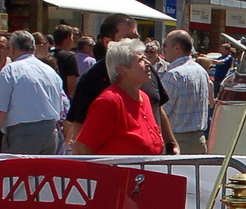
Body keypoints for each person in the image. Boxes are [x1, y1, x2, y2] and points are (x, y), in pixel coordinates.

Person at [72, 38, 165, 156]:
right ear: (122, 70)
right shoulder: (109, 102)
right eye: (141, 60)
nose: (148, 63)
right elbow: (82, 149)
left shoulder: (144, 97)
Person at [0, 30, 67, 154]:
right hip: (50, 133)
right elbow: (61, 107)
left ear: (12, 48)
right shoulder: (49, 71)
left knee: (20, 172)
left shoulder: (10, 70)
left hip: (22, 134)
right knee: (44, 172)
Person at [65, 13, 139, 142]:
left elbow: (158, 106)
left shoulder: (147, 72)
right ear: (108, 42)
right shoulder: (91, 79)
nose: (135, 44)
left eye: (136, 38)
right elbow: (79, 122)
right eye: (127, 38)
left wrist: (170, 142)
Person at [159, 29, 211, 153]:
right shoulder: (201, 71)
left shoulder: (174, 75)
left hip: (176, 141)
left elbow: (161, 112)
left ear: (177, 48)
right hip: (199, 140)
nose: (163, 49)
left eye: (165, 45)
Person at [51, 23, 79, 102]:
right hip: (63, 102)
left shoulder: (46, 55)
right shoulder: (70, 58)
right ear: (68, 38)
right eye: (72, 37)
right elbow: (71, 90)